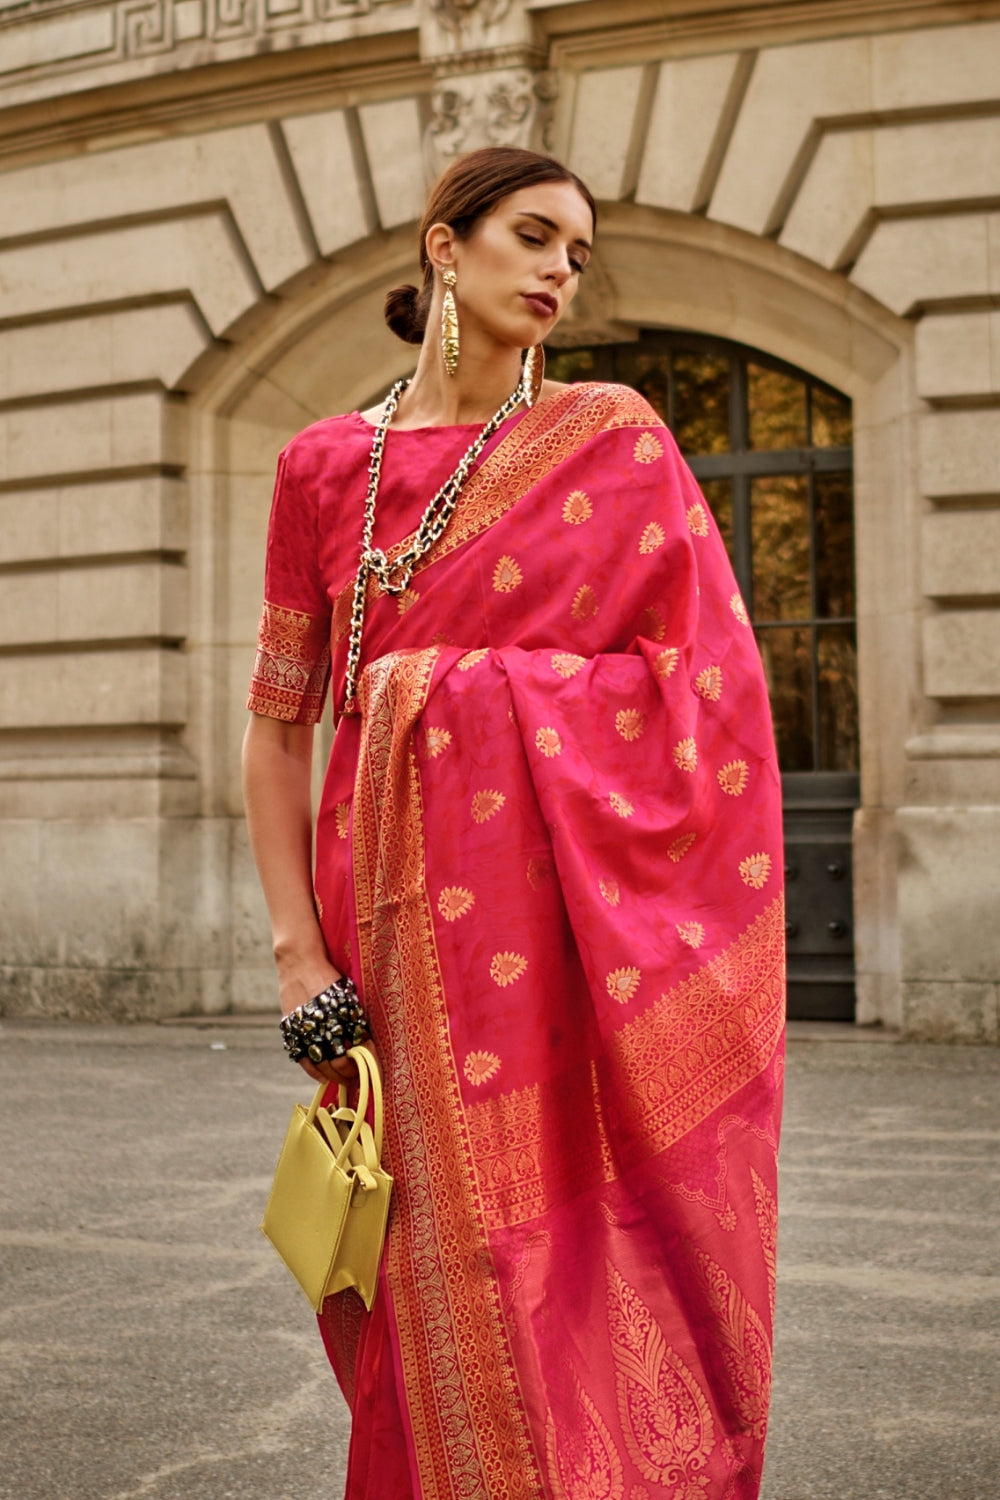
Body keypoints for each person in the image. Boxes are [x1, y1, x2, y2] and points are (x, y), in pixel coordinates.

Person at [242, 145, 784, 1500]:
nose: (559, 269)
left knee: (568, 1252)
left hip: (562, 936)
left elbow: (707, 699)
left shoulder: (612, 440)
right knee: (414, 1255)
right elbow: (279, 725)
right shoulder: (321, 471)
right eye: (533, 236)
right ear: (445, 246)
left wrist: (440, 693)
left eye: (577, 254)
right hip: (383, 940)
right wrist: (297, 959)